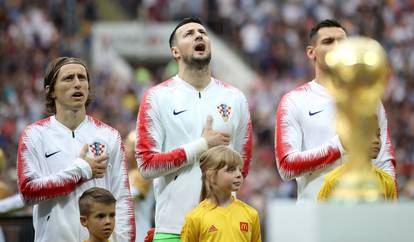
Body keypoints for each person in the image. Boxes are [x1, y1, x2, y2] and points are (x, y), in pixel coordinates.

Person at [135, 17, 252, 241]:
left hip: (224, 230)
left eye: (202, 32)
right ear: (175, 52)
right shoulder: (157, 97)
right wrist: (202, 145)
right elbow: (146, 165)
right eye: (189, 34)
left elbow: (242, 166)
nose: (199, 35)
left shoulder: (235, 98)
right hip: (172, 229)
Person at [274, 19, 396, 202]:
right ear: (311, 52)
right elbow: (286, 166)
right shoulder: (294, 100)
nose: (337, 46)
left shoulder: (370, 99)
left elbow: (385, 161)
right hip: (316, 217)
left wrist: (390, 208)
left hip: (364, 212)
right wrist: (341, 145)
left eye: (342, 41)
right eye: (328, 41)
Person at [17, 57, 135, 241]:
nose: (77, 83)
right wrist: (80, 170)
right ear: (50, 91)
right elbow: (28, 192)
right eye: (68, 78)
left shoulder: (109, 135)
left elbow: (122, 200)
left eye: (82, 78)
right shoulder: (34, 135)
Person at [181, 146, 261, 242]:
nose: (239, 174)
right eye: (231, 170)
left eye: (239, 169)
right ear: (211, 176)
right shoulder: (195, 217)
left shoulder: (251, 214)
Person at [318, 125, 397, 201]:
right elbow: (322, 213)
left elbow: (392, 214)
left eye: (378, 135)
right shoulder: (333, 181)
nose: (376, 140)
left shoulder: (387, 182)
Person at [125, 130, 155, 242]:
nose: (127, 149)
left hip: (139, 231)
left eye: (130, 146)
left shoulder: (143, 173)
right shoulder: (130, 173)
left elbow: (134, 196)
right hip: (130, 230)